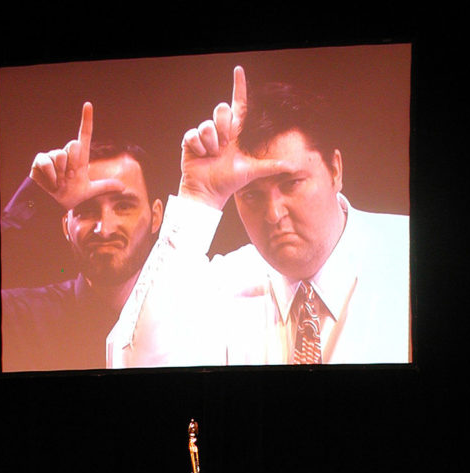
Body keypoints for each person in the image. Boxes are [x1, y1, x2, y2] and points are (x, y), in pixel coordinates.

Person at [108, 66, 409, 367]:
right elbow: (131, 365)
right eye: (251, 194)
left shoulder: (410, 258)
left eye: (290, 184)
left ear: (335, 169)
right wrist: (198, 197)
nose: (274, 214)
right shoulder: (220, 285)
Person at [1, 102, 164, 372]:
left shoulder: (190, 315)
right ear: (66, 226)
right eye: (87, 210)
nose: (105, 228)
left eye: (124, 206)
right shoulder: (22, 315)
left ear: (156, 217)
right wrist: (34, 195)